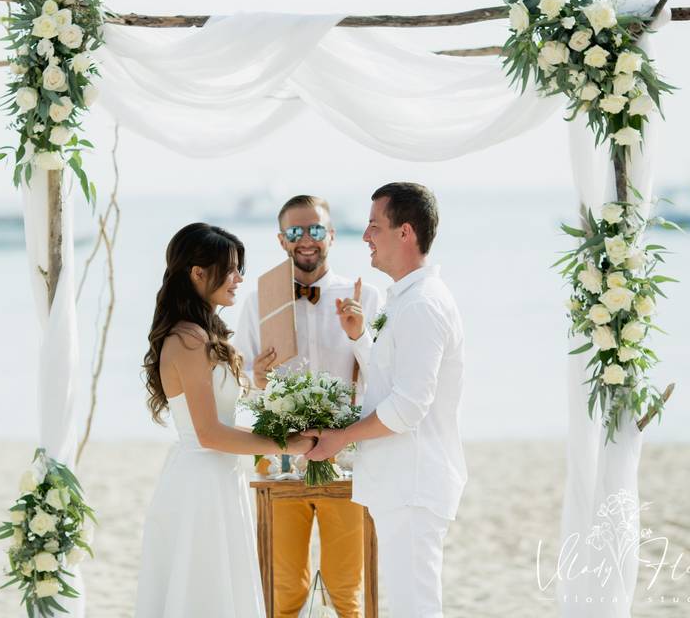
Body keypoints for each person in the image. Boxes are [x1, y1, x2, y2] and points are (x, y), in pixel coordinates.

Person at [304, 182, 467, 618]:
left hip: (413, 482)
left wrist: (340, 438)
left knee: (416, 608)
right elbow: (390, 374)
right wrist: (360, 337)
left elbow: (408, 407)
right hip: (402, 480)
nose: (365, 237)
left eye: (374, 226)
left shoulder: (422, 306)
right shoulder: (409, 300)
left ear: (405, 233)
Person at [135, 222, 315, 618]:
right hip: (200, 482)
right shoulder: (187, 340)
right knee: (203, 590)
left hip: (220, 476)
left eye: (240, 269)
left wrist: (258, 382)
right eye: (229, 269)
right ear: (197, 273)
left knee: (222, 588)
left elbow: (223, 409)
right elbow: (210, 432)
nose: (238, 279)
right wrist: (286, 443)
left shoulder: (204, 334)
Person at [236, 195, 381, 618]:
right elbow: (237, 378)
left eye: (315, 230)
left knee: (346, 589)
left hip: (347, 458)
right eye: (295, 232)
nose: (306, 240)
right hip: (279, 457)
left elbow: (383, 379)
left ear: (331, 236)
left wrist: (358, 336)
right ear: (281, 240)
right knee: (283, 590)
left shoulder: (366, 297)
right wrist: (257, 381)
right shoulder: (258, 301)